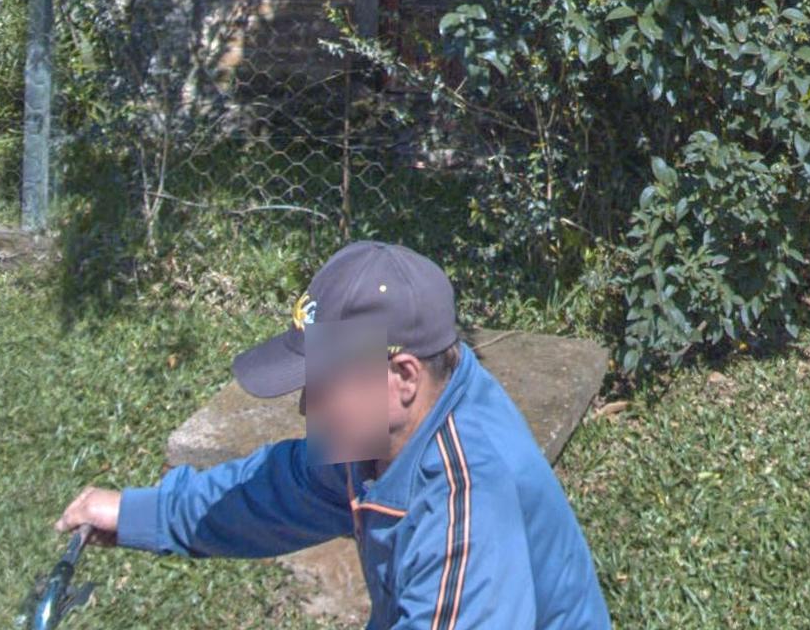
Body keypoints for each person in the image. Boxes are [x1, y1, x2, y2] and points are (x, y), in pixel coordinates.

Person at [57, 240, 609, 630]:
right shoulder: (397, 423)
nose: (305, 405)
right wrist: (143, 513)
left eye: (323, 382)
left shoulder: (467, 506)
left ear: (403, 377)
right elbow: (278, 491)